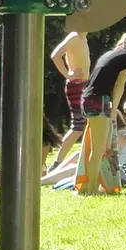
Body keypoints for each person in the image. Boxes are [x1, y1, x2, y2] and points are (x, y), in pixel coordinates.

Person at [77, 32, 126, 195]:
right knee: (98, 149)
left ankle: (87, 187)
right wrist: (114, 110)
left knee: (95, 147)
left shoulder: (110, 54)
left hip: (87, 99)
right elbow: (119, 86)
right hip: (99, 100)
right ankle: (91, 189)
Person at [48, 30, 90, 170]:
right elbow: (55, 56)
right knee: (78, 126)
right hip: (77, 85)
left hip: (84, 85)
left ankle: (89, 159)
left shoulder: (83, 38)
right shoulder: (74, 36)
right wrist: (68, 74)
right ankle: (57, 163)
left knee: (88, 124)